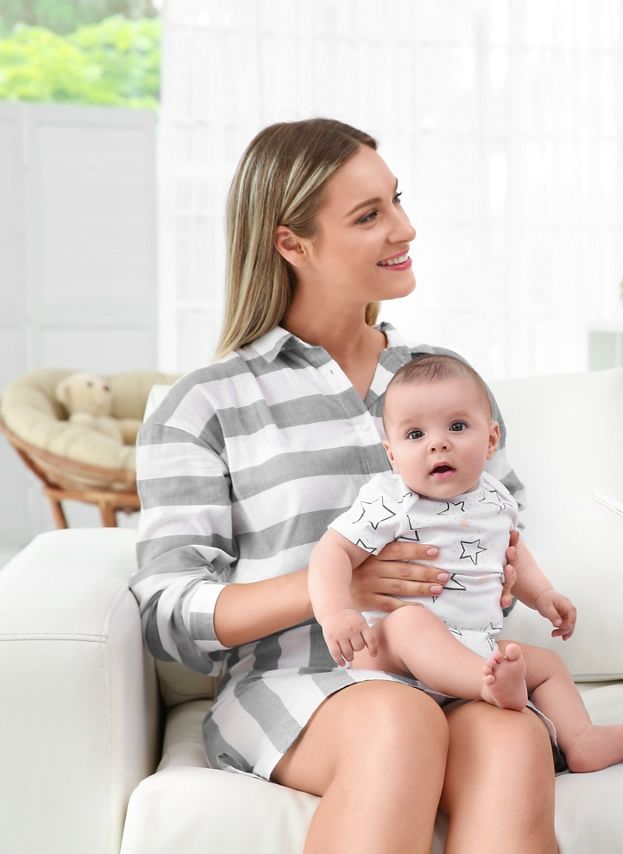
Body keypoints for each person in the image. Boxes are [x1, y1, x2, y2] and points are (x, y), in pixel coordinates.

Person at [129, 118, 558, 853]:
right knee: (399, 721)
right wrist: (338, 587)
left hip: (453, 667)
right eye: (370, 216)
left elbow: (503, 528)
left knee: (516, 745)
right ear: (291, 243)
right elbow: (169, 612)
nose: (406, 227)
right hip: (297, 685)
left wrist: (505, 569)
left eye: (396, 200)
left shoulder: (444, 381)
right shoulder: (207, 404)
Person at [309, 352, 623, 772]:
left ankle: (579, 738)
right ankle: (489, 687)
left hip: (475, 646)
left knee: (547, 666)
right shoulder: (389, 498)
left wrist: (542, 593)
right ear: (392, 454)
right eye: (415, 434)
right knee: (412, 623)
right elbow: (333, 550)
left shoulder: (495, 496)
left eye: (456, 427)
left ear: (490, 440)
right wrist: (335, 612)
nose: (438, 442)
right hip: (390, 654)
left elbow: (512, 551)